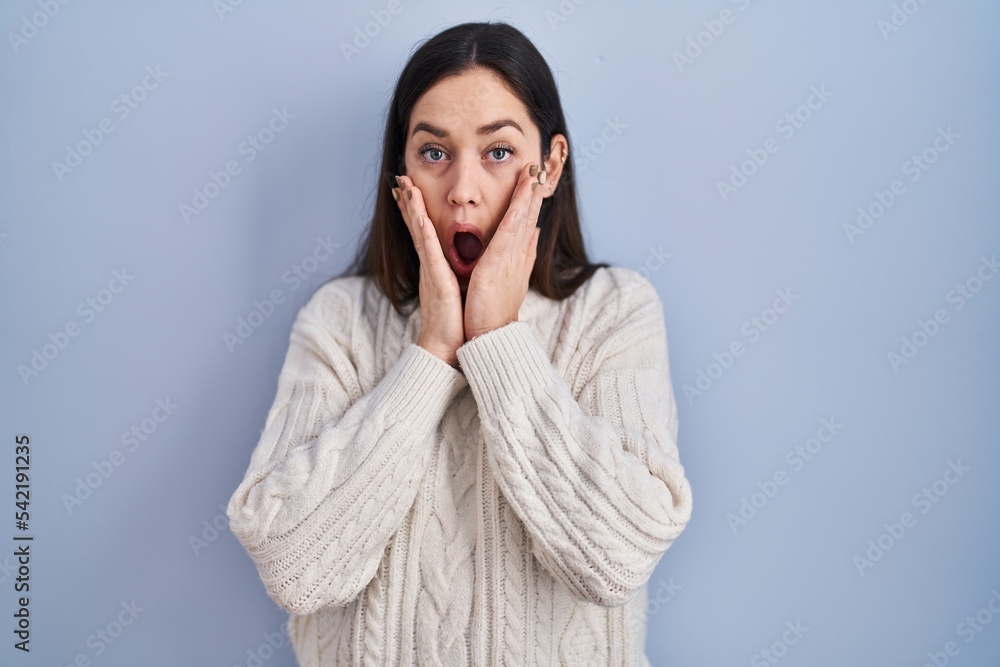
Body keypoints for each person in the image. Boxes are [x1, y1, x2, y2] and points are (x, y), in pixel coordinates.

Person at [226, 20, 693, 667]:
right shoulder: (340, 320)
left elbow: (617, 558)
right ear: (401, 173)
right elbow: (293, 567)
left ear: (550, 165)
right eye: (434, 153)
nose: (463, 190)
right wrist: (431, 352)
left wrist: (499, 338)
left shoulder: (615, 311)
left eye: (498, 152)